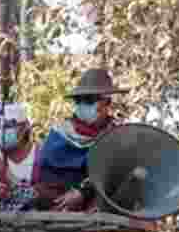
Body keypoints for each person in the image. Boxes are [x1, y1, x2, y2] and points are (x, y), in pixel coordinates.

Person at [33, 67, 128, 211]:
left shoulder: (117, 136)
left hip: (96, 200)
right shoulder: (59, 132)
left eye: (89, 100)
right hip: (57, 201)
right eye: (78, 100)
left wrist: (83, 192)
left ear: (106, 103)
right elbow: (44, 176)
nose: (82, 105)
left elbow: (115, 173)